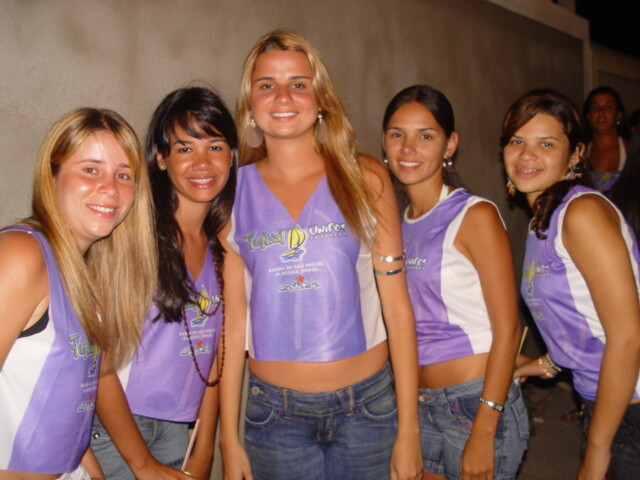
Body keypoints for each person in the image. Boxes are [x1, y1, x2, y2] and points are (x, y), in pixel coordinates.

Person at [219, 30, 422, 480]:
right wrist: (228, 438)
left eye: (298, 83)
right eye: (267, 84)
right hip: (275, 417)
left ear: (321, 99)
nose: (283, 96)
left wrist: (409, 429)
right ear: (250, 105)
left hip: (366, 409)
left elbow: (397, 309)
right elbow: (233, 324)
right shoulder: (232, 193)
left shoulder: (365, 177)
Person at [0, 108, 156, 479]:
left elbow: (78, 387)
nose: (111, 188)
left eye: (123, 175)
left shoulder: (88, 269)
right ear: (51, 176)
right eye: (91, 169)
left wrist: (92, 468)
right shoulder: (22, 255)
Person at [90, 87, 237, 480]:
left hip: (178, 433)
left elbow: (213, 357)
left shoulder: (220, 246)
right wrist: (141, 462)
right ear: (160, 157)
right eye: (185, 148)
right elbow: (96, 360)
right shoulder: (133, 236)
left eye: (215, 147)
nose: (202, 162)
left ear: (231, 155)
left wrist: (203, 446)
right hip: (116, 431)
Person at [381, 85, 528, 480]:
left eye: (425, 136)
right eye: (397, 134)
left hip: (474, 401)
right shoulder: (394, 224)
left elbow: (509, 328)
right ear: (384, 142)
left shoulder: (474, 215)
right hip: (419, 404)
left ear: (450, 145)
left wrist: (484, 428)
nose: (408, 148)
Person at [505, 89, 640, 480]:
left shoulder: (581, 213)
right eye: (517, 141)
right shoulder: (544, 219)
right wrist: (542, 364)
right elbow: (583, 319)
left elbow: (627, 337)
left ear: (576, 153)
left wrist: (596, 451)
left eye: (546, 144)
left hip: (631, 404)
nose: (527, 155)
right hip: (608, 398)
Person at [582, 86, 630, 193]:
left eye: (608, 106)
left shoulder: (630, 150)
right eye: (595, 107)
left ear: (618, 115)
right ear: (589, 116)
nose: (601, 112)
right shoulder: (581, 153)